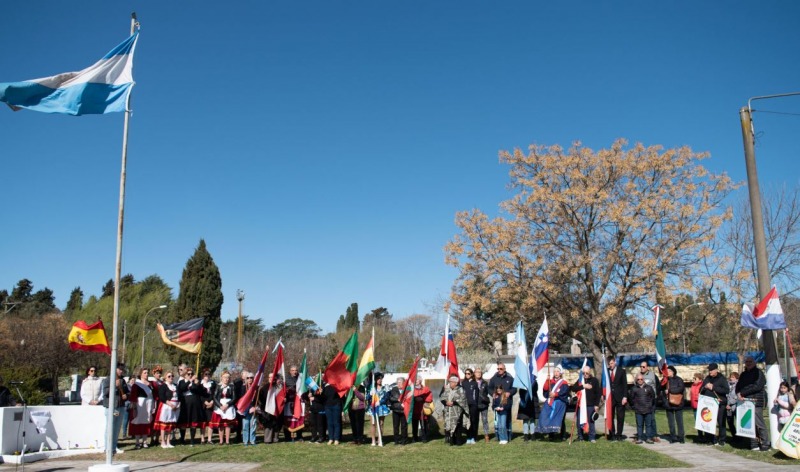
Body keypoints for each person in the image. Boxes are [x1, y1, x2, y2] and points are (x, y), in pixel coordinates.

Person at [736, 356, 770, 451]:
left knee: (759, 423)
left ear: (754, 362)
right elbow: (738, 385)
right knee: (749, 424)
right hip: (744, 401)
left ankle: (765, 443)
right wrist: (738, 393)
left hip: (755, 401)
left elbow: (757, 386)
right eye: (747, 362)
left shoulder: (758, 373)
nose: (748, 363)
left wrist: (743, 392)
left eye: (750, 361)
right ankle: (753, 443)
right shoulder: (743, 374)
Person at [100, 362, 129, 454]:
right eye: (119, 369)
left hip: (120, 406)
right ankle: (107, 447)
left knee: (117, 428)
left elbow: (127, 392)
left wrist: (126, 396)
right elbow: (105, 393)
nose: (121, 371)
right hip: (111, 407)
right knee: (110, 427)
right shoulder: (108, 379)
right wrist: (114, 386)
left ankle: (114, 447)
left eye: (122, 370)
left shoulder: (123, 380)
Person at [536, 366, 570, 440]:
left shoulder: (564, 383)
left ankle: (563, 435)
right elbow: (545, 390)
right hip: (551, 402)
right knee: (549, 418)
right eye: (555, 371)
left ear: (560, 373)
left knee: (561, 419)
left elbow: (565, 392)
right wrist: (547, 381)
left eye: (557, 371)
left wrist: (556, 394)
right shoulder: (551, 382)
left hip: (560, 403)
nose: (556, 373)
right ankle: (551, 434)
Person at [700, 362, 729, 446]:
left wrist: (714, 387)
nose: (710, 372)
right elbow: (701, 390)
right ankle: (710, 439)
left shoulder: (722, 378)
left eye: (712, 370)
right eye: (709, 370)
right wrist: (704, 387)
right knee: (709, 421)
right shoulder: (707, 378)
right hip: (709, 404)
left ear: (716, 370)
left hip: (720, 403)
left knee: (721, 422)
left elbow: (726, 390)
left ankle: (722, 439)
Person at [571, 366, 600, 442]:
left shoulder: (594, 381)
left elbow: (598, 393)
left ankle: (592, 437)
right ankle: (580, 436)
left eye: (587, 373)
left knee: (591, 421)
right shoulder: (581, 380)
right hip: (581, 404)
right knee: (579, 421)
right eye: (584, 373)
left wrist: (596, 405)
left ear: (590, 372)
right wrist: (583, 386)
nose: (585, 374)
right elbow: (573, 388)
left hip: (590, 404)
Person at [128, 367, 154, 449]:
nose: (146, 374)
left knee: (146, 422)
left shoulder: (149, 384)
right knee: (138, 422)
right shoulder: (136, 384)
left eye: (147, 372)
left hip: (148, 405)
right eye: (145, 373)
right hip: (140, 405)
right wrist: (135, 408)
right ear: (140, 374)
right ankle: (137, 442)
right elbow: (133, 397)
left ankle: (145, 441)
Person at [488, 363, 516, 440]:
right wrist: (492, 394)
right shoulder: (494, 378)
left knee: (507, 420)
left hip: (507, 403)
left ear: (504, 369)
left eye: (501, 369)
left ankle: (508, 436)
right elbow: (489, 388)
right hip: (497, 404)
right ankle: (498, 436)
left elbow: (514, 389)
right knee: (498, 422)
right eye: (498, 369)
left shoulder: (510, 378)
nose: (499, 370)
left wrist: (509, 393)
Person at [210, 371, 238, 445]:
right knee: (221, 424)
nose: (226, 379)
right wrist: (220, 406)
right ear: (222, 378)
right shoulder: (218, 386)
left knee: (228, 425)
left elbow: (234, 398)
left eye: (228, 377)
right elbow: (215, 397)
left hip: (229, 407)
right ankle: (221, 440)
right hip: (220, 407)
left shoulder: (232, 387)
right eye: (225, 377)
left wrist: (227, 405)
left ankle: (227, 441)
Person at [441, 375, 469, 446]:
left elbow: (463, 399)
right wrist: (446, 402)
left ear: (456, 383)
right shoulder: (447, 389)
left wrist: (454, 402)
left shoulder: (461, 390)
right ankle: (451, 441)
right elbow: (442, 397)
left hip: (457, 411)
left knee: (457, 426)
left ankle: (458, 441)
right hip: (448, 411)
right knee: (449, 425)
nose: (450, 383)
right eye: (449, 381)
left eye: (451, 382)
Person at [178, 367, 204, 446]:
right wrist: (189, 381)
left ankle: (192, 440)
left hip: (194, 403)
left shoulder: (195, 382)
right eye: (188, 374)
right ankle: (182, 439)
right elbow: (182, 389)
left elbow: (198, 391)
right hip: (185, 403)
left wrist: (197, 384)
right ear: (185, 375)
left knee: (193, 421)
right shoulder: (182, 382)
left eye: (191, 374)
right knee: (184, 421)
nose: (190, 375)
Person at [154, 370, 180, 448]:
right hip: (166, 406)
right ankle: (163, 442)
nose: (171, 378)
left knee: (171, 425)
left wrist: (178, 405)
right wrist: (170, 404)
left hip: (175, 407)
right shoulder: (163, 386)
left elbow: (179, 396)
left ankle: (169, 441)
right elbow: (162, 397)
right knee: (164, 424)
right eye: (169, 376)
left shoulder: (175, 385)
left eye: (172, 376)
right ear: (165, 377)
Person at [628, 373, 656, 444]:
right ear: (636, 380)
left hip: (648, 409)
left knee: (648, 425)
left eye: (641, 379)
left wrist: (651, 406)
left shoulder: (649, 388)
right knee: (639, 425)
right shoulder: (634, 388)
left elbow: (653, 397)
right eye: (638, 379)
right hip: (638, 410)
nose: (640, 380)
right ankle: (640, 438)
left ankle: (648, 438)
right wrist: (634, 406)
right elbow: (631, 399)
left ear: (643, 379)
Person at [607, 357, 628, 441]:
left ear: (614, 362)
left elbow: (625, 385)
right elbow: (603, 384)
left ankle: (619, 434)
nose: (610, 365)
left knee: (620, 417)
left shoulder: (621, 371)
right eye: (609, 364)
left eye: (611, 363)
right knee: (610, 417)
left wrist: (625, 397)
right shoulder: (606, 371)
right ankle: (612, 434)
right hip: (610, 398)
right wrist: (603, 395)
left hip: (620, 398)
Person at [639, 361, 660, 442]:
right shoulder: (638, 376)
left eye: (643, 367)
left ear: (647, 367)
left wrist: (656, 396)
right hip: (641, 401)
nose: (642, 368)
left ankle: (654, 435)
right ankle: (644, 435)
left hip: (651, 400)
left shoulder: (652, 375)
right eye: (641, 366)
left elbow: (657, 386)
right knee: (643, 419)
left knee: (652, 418)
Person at [664, 366, 685, 444]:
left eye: (669, 371)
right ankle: (673, 437)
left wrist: (669, 390)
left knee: (679, 421)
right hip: (668, 404)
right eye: (667, 371)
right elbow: (660, 388)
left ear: (673, 372)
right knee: (671, 422)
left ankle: (681, 437)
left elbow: (680, 389)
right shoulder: (665, 380)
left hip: (677, 403)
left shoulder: (679, 380)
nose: (667, 372)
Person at [284, 364, 304, 442]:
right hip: (289, 402)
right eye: (293, 370)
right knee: (288, 419)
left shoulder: (301, 379)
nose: (294, 372)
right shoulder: (286, 379)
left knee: (298, 418)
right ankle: (288, 437)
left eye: (296, 370)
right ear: (290, 371)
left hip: (298, 402)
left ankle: (299, 436)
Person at [369, 373, 390, 447]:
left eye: (381, 379)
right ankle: (373, 440)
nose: (380, 380)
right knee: (373, 424)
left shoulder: (385, 387)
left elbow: (387, 397)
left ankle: (380, 439)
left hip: (381, 407)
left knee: (381, 424)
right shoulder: (371, 387)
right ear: (375, 380)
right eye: (378, 379)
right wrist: (370, 394)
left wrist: (380, 402)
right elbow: (367, 397)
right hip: (373, 408)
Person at [388, 377, 408, 445]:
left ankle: (404, 440)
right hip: (396, 410)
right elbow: (391, 398)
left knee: (404, 426)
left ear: (403, 383)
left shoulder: (406, 390)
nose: (399, 384)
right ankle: (396, 440)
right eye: (398, 382)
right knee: (396, 426)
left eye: (400, 382)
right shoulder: (394, 389)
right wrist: (398, 399)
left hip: (404, 410)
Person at [473, 368, 492, 443]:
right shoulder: (472, 382)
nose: (479, 373)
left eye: (480, 372)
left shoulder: (485, 383)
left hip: (484, 404)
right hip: (475, 404)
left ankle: (486, 435)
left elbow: (488, 392)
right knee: (475, 421)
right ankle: (474, 435)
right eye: (477, 372)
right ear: (474, 373)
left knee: (485, 420)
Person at [411, 377, 432, 442]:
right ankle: (415, 437)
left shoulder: (426, 389)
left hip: (423, 409)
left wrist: (424, 400)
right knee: (414, 425)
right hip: (414, 409)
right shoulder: (412, 389)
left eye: (417, 380)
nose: (416, 381)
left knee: (424, 424)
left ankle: (424, 437)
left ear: (420, 381)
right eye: (415, 380)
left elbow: (430, 396)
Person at [461, 368, 479, 444]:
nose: (467, 375)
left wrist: (475, 403)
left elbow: (476, 395)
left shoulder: (475, 383)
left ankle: (473, 437)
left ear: (471, 374)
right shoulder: (463, 383)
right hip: (466, 405)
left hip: (473, 405)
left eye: (468, 373)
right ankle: (468, 437)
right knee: (467, 421)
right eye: (466, 373)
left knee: (473, 421)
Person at [239, 370, 257, 446]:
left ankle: (252, 440)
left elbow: (258, 399)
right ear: (246, 379)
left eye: (251, 378)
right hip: (245, 410)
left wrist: (255, 407)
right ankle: (245, 441)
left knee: (253, 425)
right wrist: (246, 408)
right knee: (245, 425)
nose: (250, 379)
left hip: (253, 409)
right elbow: (241, 399)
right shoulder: (243, 387)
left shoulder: (256, 388)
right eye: (248, 378)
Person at [322, 380, 342, 445]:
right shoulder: (325, 386)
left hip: (336, 405)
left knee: (336, 422)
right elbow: (323, 397)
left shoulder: (338, 385)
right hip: (327, 406)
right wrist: (320, 391)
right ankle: (331, 438)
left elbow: (341, 395)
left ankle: (336, 439)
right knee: (329, 423)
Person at [148, 365, 164, 447]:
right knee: (153, 420)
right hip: (154, 402)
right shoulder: (152, 382)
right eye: (157, 373)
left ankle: (157, 438)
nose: (159, 375)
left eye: (160, 373)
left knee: (159, 420)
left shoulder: (162, 382)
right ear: (154, 374)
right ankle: (151, 438)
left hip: (161, 403)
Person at [199, 368, 216, 445]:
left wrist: (212, 401)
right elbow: (199, 394)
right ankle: (202, 439)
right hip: (203, 405)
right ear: (203, 375)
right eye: (206, 374)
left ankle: (209, 439)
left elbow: (215, 394)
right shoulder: (200, 384)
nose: (207, 376)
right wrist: (205, 402)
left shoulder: (213, 383)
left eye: (209, 374)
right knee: (203, 422)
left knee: (210, 422)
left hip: (211, 404)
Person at [724, 372, 739, 445]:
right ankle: (734, 436)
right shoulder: (727, 385)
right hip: (728, 407)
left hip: (735, 406)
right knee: (730, 422)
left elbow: (737, 397)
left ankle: (740, 437)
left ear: (736, 378)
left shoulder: (738, 385)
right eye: (730, 377)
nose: (731, 378)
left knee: (738, 422)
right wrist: (727, 404)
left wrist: (731, 404)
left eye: (733, 377)